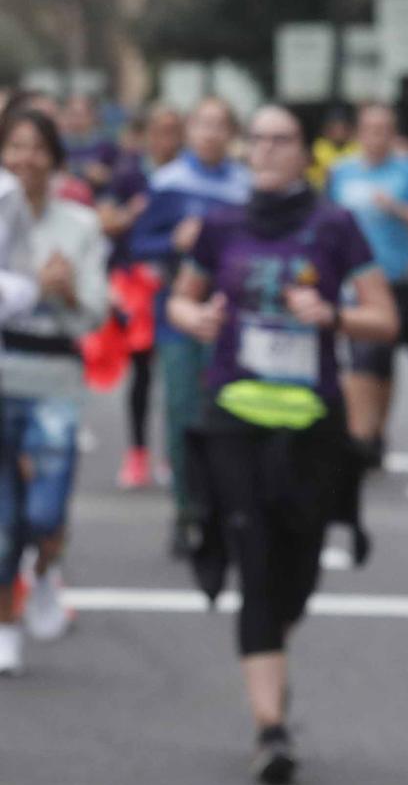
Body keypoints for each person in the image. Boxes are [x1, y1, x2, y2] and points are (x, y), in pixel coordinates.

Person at [164, 104, 396, 785]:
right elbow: (178, 300)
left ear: (304, 153)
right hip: (232, 414)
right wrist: (197, 315)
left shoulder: (333, 225)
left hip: (310, 422)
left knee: (296, 567)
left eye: (281, 140)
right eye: (257, 139)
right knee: (255, 558)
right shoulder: (221, 223)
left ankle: (271, 648)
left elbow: (383, 318)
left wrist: (334, 315)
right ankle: (270, 726)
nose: (267, 150)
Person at [0, 107, 109, 673]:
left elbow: (94, 313)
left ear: (56, 159)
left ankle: (43, 573)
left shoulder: (79, 225)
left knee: (44, 513)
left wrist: (64, 294)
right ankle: (5, 624)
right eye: (14, 146)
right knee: (1, 525)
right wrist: (29, 288)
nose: (25, 159)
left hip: (54, 381)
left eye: (37, 148)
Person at [126, 97, 251, 556]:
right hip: (178, 318)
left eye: (221, 125)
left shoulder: (246, 187)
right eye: (203, 125)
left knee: (229, 416)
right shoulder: (169, 183)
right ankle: (186, 511)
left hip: (232, 319)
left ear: (232, 133)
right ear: (191, 132)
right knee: (182, 414)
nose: (212, 134)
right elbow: (138, 244)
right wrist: (172, 241)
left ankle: (223, 512)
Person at [327, 103, 408, 467]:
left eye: (384, 129)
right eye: (369, 128)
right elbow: (325, 221)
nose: (376, 136)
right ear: (359, 132)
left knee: (390, 364)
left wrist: (397, 208)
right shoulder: (341, 172)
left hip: (397, 281)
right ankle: (363, 437)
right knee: (362, 361)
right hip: (354, 285)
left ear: (393, 133)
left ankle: (375, 431)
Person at [98, 104, 183, 490]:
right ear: (148, 134)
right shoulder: (131, 174)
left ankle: (172, 453)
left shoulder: (186, 177)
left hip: (178, 287)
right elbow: (106, 222)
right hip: (135, 286)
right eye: (159, 130)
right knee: (141, 373)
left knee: (176, 373)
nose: (166, 138)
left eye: (173, 130)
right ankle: (137, 454)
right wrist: (132, 213)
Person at [59, 94, 119, 194]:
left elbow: (116, 173)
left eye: (80, 115)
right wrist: (83, 171)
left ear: (91, 116)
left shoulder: (105, 144)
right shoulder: (59, 144)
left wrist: (105, 175)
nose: (76, 120)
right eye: (72, 114)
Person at [308, 107, 356, 189]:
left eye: (342, 128)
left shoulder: (355, 147)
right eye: (335, 128)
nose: (339, 132)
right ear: (327, 130)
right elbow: (310, 177)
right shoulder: (318, 147)